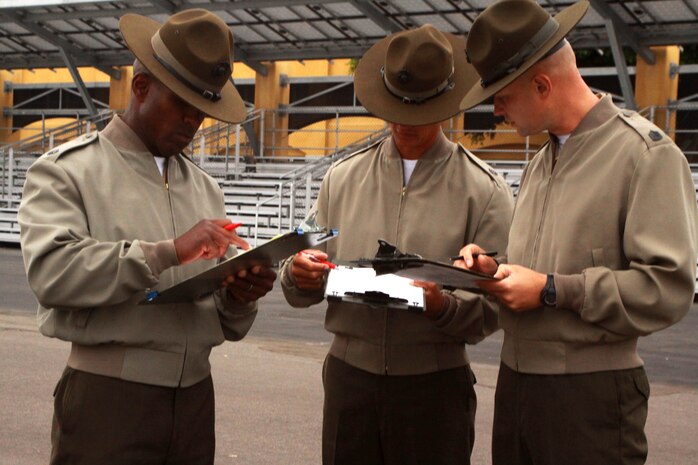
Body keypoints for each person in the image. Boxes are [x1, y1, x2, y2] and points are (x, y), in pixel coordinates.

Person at [18, 9, 276, 465]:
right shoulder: (67, 171)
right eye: (182, 107)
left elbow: (219, 316)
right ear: (141, 88)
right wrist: (168, 252)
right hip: (109, 400)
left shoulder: (205, 187)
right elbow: (52, 274)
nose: (193, 123)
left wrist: (240, 296)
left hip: (195, 399)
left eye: (203, 113)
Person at [456, 1, 698, 464]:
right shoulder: (538, 164)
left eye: (502, 97)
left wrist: (551, 290)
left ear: (542, 85)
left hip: (590, 398)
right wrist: (494, 268)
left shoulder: (645, 156)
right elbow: (537, 262)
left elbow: (668, 288)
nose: (497, 111)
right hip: (515, 384)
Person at [280, 24, 515, 465]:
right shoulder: (341, 178)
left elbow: (496, 303)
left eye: (421, 112)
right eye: (396, 109)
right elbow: (298, 271)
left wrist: (441, 306)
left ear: (445, 105)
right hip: (350, 382)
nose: (405, 123)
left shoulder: (483, 190)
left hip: (434, 388)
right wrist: (299, 274)